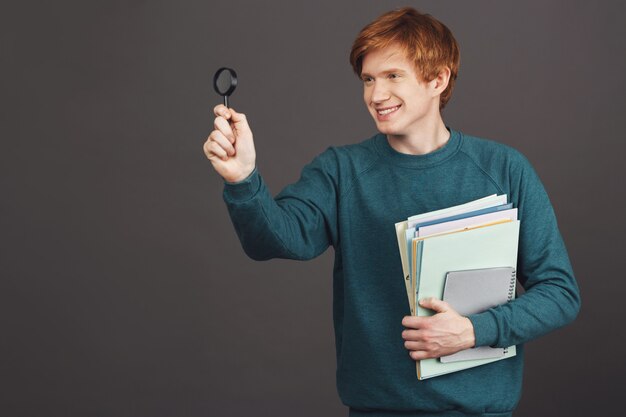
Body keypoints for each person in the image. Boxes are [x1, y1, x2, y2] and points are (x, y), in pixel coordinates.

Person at [203, 7, 580, 417]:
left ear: (438, 79)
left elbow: (559, 293)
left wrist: (475, 330)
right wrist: (243, 179)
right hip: (376, 409)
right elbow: (272, 239)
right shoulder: (340, 170)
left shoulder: (505, 169)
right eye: (368, 79)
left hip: (481, 411)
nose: (375, 95)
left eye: (392, 76)